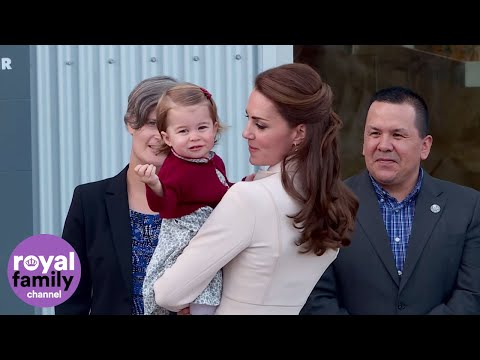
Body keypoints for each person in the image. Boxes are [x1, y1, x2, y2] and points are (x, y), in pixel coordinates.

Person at [149, 63, 359, 315]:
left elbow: (168, 293)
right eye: (248, 119)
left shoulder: (249, 198)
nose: (246, 133)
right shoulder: (330, 199)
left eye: (260, 125)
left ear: (299, 133)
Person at [301, 86, 480, 315]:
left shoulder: (468, 207)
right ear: (363, 142)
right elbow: (316, 297)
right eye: (374, 133)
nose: (384, 145)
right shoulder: (327, 204)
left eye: (397, 135)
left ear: (425, 146)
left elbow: (472, 295)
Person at [55, 75, 178, 315]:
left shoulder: (204, 202)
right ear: (131, 123)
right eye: (152, 123)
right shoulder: (89, 201)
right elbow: (70, 298)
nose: (160, 137)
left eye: (169, 126)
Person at [135, 83, 233, 315]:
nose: (195, 137)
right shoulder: (175, 168)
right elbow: (166, 208)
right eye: (183, 131)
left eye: (202, 127)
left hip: (212, 234)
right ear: (166, 137)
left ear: (215, 127)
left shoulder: (214, 160)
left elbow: (219, 192)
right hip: (184, 237)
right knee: (192, 287)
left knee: (213, 285)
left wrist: (239, 188)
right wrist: (154, 184)